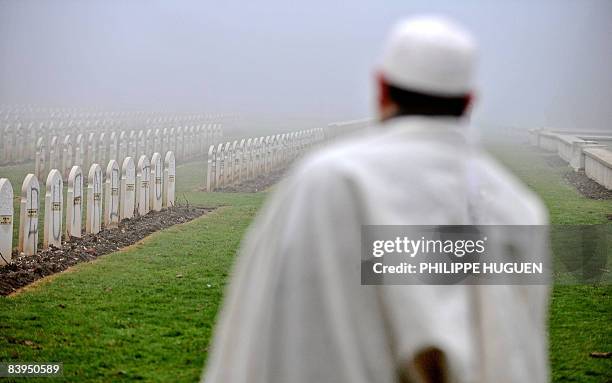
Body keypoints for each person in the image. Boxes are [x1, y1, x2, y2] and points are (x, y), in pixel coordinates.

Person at [202, 15, 549, 383]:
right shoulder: (517, 206)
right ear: (469, 101)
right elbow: (514, 349)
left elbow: (271, 332)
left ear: (381, 88)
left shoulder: (330, 181)